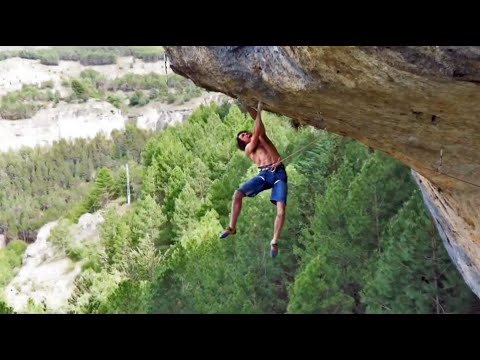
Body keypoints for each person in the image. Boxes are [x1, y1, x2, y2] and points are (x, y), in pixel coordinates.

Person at [220, 101, 287, 258]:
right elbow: (256, 130)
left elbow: (258, 126)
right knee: (238, 194)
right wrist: (259, 109)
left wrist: (248, 105)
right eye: (243, 136)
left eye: (245, 133)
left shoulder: (263, 139)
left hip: (279, 173)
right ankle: (232, 227)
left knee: (281, 209)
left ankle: (274, 241)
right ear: (243, 143)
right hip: (264, 174)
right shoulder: (250, 148)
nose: (246, 135)